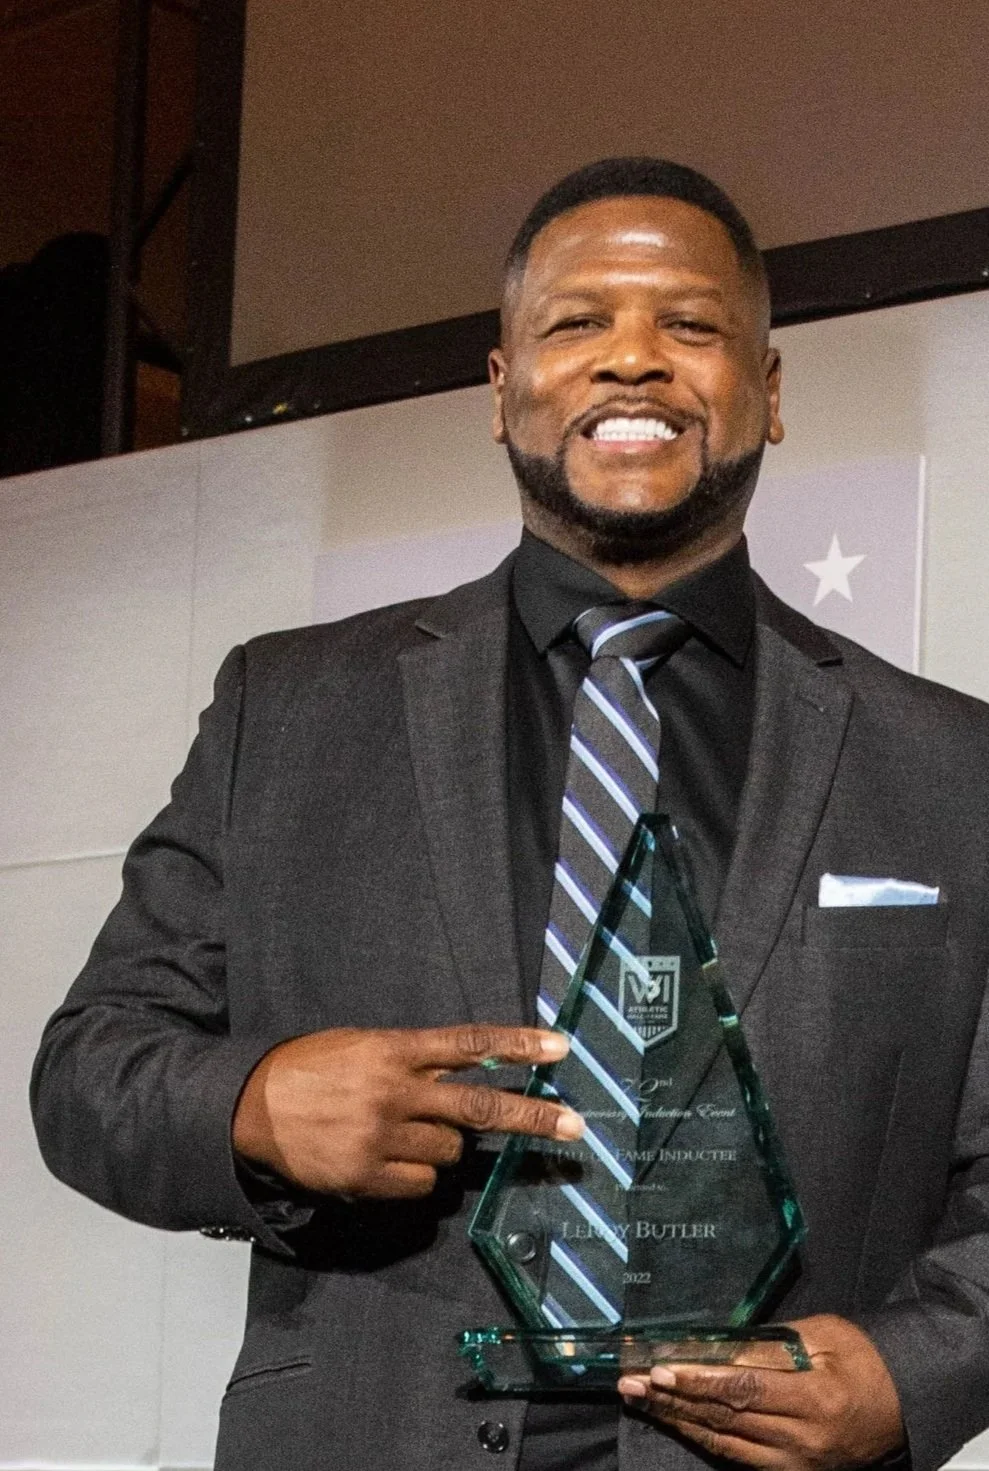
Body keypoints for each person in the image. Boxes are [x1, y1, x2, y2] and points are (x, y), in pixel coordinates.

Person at [31, 157, 989, 1471]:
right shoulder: (290, 710)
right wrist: (251, 1103)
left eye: (690, 324)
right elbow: (89, 1067)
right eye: (578, 321)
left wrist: (911, 1374)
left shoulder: (951, 764)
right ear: (501, 391)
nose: (633, 358)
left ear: (768, 392)